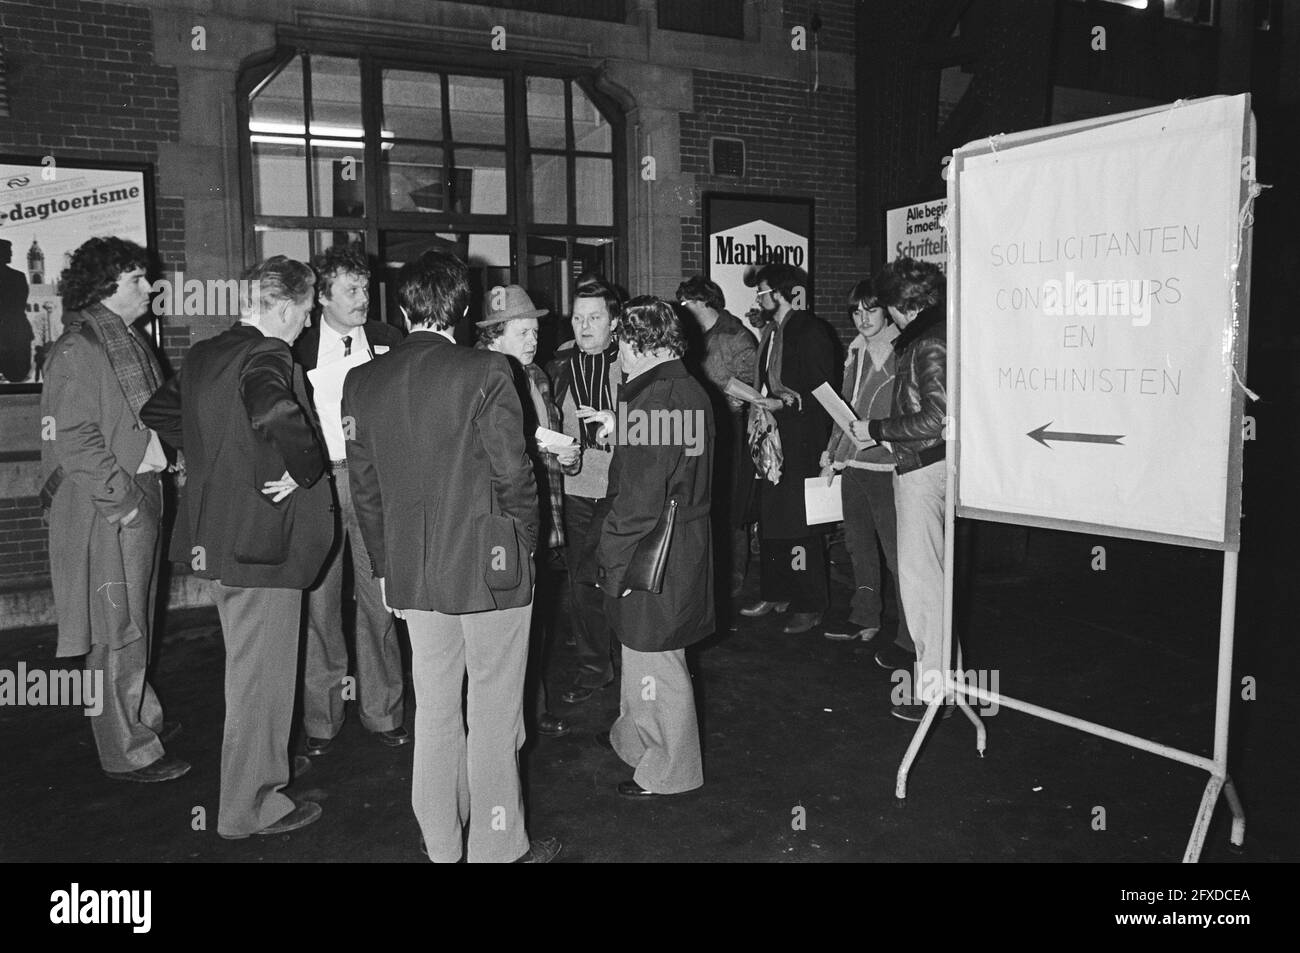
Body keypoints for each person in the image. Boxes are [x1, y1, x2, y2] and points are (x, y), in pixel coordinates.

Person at [342, 249, 559, 863]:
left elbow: (366, 491)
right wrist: (526, 545)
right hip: (491, 567)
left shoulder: (363, 381)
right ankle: (496, 846)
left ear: (404, 306)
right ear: (462, 308)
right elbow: (515, 476)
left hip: (412, 570)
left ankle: (441, 844)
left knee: (434, 712)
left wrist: (385, 568)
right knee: (493, 712)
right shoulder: (488, 370)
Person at [141, 256, 333, 836]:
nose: (304, 328)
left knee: (250, 675)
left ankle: (260, 772)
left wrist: (213, 461)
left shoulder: (204, 353)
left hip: (219, 542)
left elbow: (158, 411)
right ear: (279, 308)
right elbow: (273, 407)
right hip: (263, 546)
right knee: (261, 681)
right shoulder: (268, 353)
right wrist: (308, 467)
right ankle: (251, 807)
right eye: (302, 314)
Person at [41, 237, 188, 782]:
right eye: (136, 279)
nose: (150, 286)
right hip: (115, 503)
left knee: (137, 618)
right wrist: (124, 504)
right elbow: (73, 439)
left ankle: (139, 715)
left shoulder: (123, 339)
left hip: (140, 489)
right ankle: (126, 750)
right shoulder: (81, 349)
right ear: (106, 288)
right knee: (115, 628)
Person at [584, 296, 714, 797]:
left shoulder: (654, 398)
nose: (616, 354)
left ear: (636, 344)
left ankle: (670, 771)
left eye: (619, 342)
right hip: (682, 540)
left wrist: (610, 559)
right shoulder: (687, 389)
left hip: (653, 547)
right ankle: (633, 739)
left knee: (656, 657)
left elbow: (639, 500)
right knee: (642, 650)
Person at [294, 243, 408, 757]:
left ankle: (382, 712)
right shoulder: (298, 348)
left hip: (374, 484)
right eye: (351, 290)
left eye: (365, 287)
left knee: (379, 597)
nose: (363, 298)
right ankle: (323, 720)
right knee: (320, 604)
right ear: (323, 296)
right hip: (321, 483)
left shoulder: (388, 342)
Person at [477, 283, 581, 739]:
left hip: (545, 512)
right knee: (503, 630)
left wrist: (568, 455)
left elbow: (550, 439)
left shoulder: (538, 375)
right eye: (522, 331)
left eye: (535, 330)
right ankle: (502, 722)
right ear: (495, 334)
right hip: (504, 523)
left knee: (533, 622)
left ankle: (532, 711)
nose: (532, 339)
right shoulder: (479, 378)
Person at [855, 257, 947, 722]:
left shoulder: (928, 342)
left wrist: (879, 429)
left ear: (900, 305)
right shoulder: (937, 334)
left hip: (924, 469)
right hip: (930, 466)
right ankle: (941, 686)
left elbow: (937, 418)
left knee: (924, 588)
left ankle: (936, 695)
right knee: (931, 585)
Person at [819, 280, 914, 669]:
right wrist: (830, 452)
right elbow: (844, 408)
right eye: (856, 313)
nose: (862, 320)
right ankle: (865, 615)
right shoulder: (855, 353)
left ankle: (911, 637)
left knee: (899, 555)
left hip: (888, 466)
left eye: (869, 311)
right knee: (859, 546)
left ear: (886, 311)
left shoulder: (904, 350)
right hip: (853, 465)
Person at [739, 263, 838, 634]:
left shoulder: (809, 331)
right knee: (772, 523)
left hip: (801, 443)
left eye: (762, 291)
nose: (759, 298)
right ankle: (776, 590)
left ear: (780, 293)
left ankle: (808, 602)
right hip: (772, 442)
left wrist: (787, 405)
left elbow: (823, 392)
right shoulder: (771, 332)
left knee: (800, 527)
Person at [548, 273, 623, 705]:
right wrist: (561, 453)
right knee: (581, 582)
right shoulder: (561, 366)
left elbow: (678, 426)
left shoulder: (632, 364)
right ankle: (595, 669)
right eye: (578, 317)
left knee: (616, 581)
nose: (585, 326)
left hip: (620, 491)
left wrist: (621, 426)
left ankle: (632, 660)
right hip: (576, 487)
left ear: (614, 321)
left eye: (595, 317)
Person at [676, 275, 758, 596]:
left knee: (731, 502)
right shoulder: (689, 335)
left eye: (686, 303)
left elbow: (750, 390)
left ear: (703, 302)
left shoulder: (736, 336)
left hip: (729, 429)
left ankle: (734, 576)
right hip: (695, 425)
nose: (682, 309)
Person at [0, 238, 34, 382]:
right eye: (8, 251)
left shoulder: (17, 276)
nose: (11, 255)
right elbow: (18, 305)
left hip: (13, 333)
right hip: (15, 333)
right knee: (17, 377)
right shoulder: (17, 277)